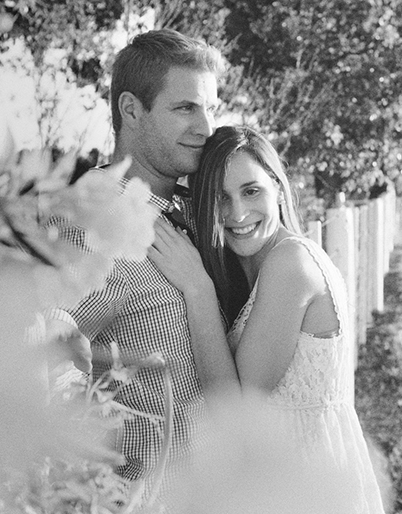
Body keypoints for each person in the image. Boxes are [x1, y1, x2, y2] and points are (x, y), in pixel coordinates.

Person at [148, 125, 387, 514]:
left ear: (278, 186)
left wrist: (197, 288)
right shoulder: (257, 269)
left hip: (305, 486)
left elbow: (234, 408)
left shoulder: (291, 264)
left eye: (251, 190)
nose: (237, 213)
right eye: (220, 198)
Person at [47, 29, 224, 502]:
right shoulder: (92, 219)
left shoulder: (189, 207)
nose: (206, 128)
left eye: (210, 108)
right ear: (131, 109)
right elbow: (47, 356)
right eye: (185, 108)